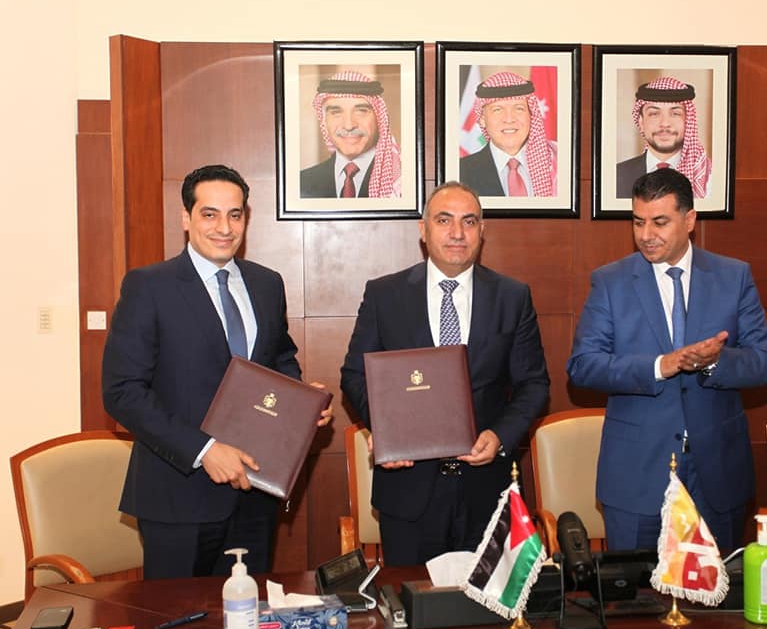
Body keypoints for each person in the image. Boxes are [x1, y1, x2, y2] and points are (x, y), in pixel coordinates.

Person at [102, 164, 333, 579]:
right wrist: (204, 450)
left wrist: (303, 402)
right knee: (177, 615)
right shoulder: (149, 286)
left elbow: (279, 359)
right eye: (210, 214)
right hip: (178, 497)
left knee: (247, 612)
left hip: (255, 493)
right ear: (186, 218)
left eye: (235, 214)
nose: (224, 228)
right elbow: (123, 392)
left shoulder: (267, 284)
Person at [340, 181, 550, 565]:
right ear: (423, 230)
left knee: (486, 601)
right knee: (409, 598)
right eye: (444, 220)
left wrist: (500, 436)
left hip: (487, 490)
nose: (457, 233)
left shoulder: (512, 296)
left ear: (482, 231)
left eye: (469, 221)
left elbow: (533, 384)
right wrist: (387, 432)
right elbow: (355, 375)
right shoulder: (385, 295)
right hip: (408, 491)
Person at [567, 168, 767, 551]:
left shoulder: (733, 277)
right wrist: (660, 366)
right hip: (637, 477)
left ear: (689, 219)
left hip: (718, 476)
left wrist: (713, 362)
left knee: (716, 587)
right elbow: (583, 366)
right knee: (635, 588)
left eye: (659, 222)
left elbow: (762, 363)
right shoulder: (610, 282)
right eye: (638, 222)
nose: (646, 234)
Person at [300, 71, 401, 198]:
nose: (349, 126)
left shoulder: (401, 182)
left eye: (361, 111)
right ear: (324, 121)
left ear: (379, 118)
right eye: (336, 112)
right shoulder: (301, 183)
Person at [459, 71, 557, 197]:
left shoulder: (557, 163)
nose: (509, 119)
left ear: (531, 114)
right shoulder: (461, 172)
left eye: (519, 108)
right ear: (482, 119)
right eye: (498, 110)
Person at [616, 76, 712, 199]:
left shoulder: (709, 177)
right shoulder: (617, 175)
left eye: (675, 114)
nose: (665, 123)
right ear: (641, 122)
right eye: (654, 114)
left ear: (688, 121)